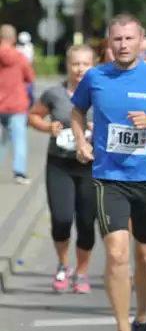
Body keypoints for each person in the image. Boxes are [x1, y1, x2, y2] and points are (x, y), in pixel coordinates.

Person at [70, 13, 146, 331]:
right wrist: (81, 141)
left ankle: (142, 318)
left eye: (129, 38)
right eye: (117, 39)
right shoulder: (95, 77)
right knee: (117, 254)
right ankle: (122, 326)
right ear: (109, 42)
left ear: (141, 40)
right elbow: (77, 111)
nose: (123, 44)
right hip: (109, 179)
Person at [28, 45, 97, 294]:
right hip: (60, 165)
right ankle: (63, 265)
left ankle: (81, 273)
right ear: (67, 66)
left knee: (87, 224)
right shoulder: (54, 93)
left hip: (91, 167)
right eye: (75, 64)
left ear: (93, 66)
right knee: (62, 218)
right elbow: (33, 116)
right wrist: (49, 128)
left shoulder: (100, 93)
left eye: (85, 64)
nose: (79, 69)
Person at [0, 24, 35, 185]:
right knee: (18, 139)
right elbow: (30, 77)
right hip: (17, 104)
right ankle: (19, 172)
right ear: (13, 39)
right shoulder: (20, 58)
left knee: (2, 141)